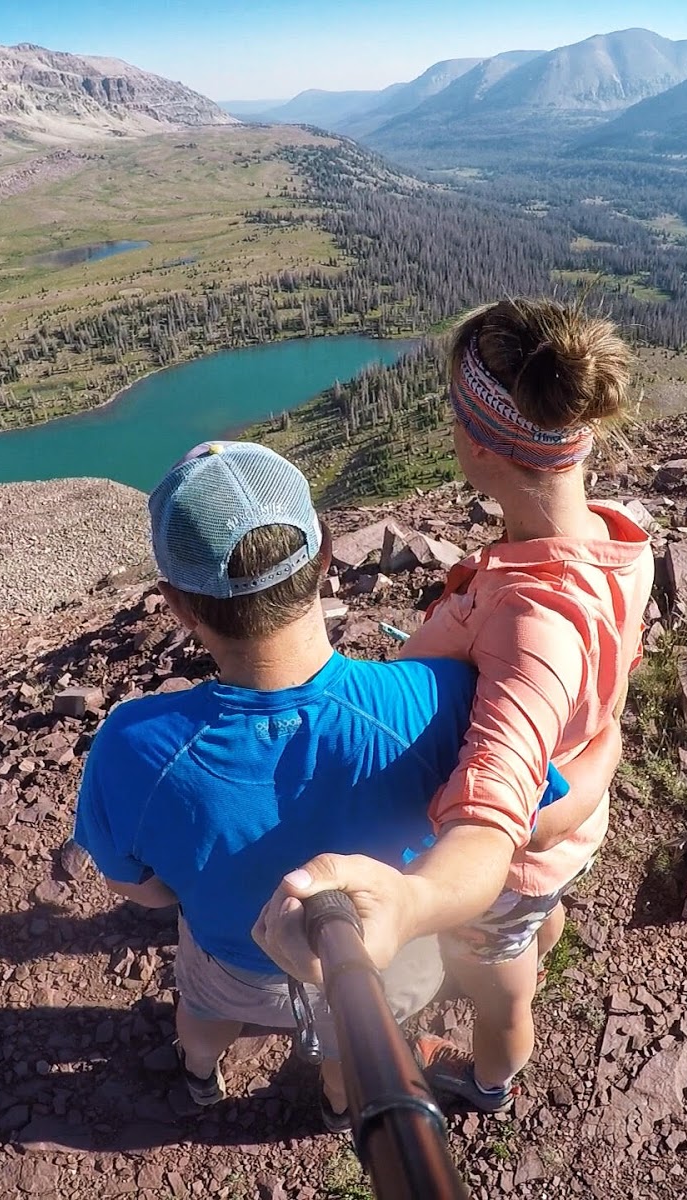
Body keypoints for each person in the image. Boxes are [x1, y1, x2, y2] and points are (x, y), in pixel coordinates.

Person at [73, 440, 621, 1132]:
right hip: (377, 959)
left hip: (237, 962)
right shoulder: (442, 701)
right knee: (351, 1048)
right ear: (326, 555)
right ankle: (338, 1108)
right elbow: (533, 815)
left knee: (204, 1012)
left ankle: (201, 1074)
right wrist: (607, 746)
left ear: (178, 606)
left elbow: (142, 889)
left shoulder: (132, 744)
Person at [255, 298, 655, 1115]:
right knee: (535, 920)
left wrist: (411, 902)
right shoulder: (620, 539)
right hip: (571, 833)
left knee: (500, 990)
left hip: (515, 870)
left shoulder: (532, 620)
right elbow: (597, 685)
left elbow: (491, 819)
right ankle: (539, 931)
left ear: (478, 443)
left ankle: (489, 1081)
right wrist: (599, 755)